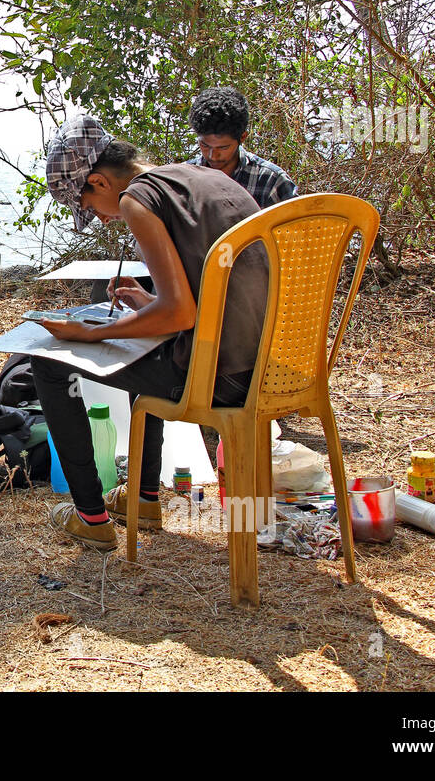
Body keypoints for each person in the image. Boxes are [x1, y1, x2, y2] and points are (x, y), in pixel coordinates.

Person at [34, 114, 269, 550]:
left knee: (45, 362)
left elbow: (178, 315)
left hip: (219, 379)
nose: (100, 219)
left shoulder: (135, 199)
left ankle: (90, 516)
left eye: (86, 206)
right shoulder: (201, 175)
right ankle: (142, 500)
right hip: (263, 366)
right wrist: (149, 306)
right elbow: (198, 300)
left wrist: (91, 334)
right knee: (140, 344)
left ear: (101, 182)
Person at [185, 87, 298, 208]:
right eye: (205, 145)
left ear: (242, 137)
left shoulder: (271, 181)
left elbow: (299, 224)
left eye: (223, 147)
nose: (213, 156)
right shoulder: (183, 179)